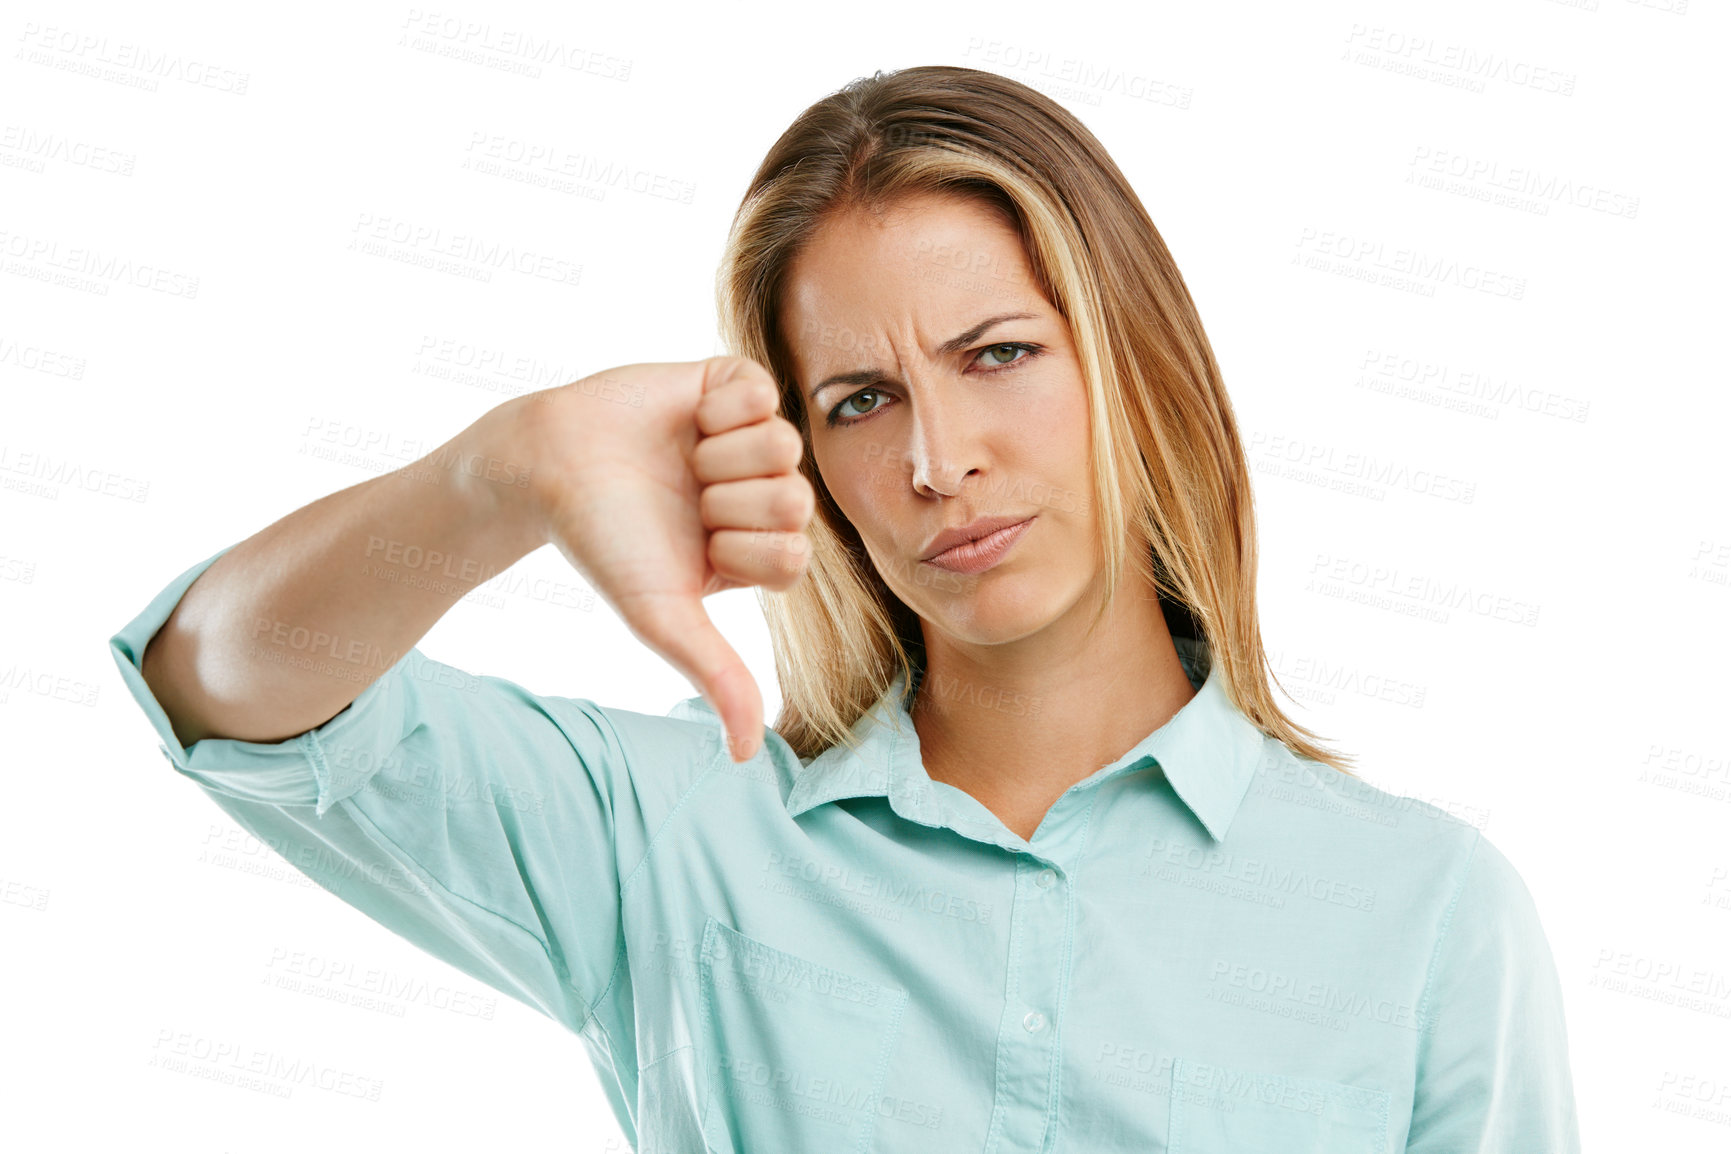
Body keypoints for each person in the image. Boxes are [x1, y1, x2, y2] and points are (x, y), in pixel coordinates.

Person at [108, 66, 1580, 1153]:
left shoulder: (1430, 917)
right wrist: (508, 471)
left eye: (996, 353)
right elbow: (220, 677)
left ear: (1133, 366)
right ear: (804, 453)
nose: (939, 463)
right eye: (862, 399)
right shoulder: (682, 834)